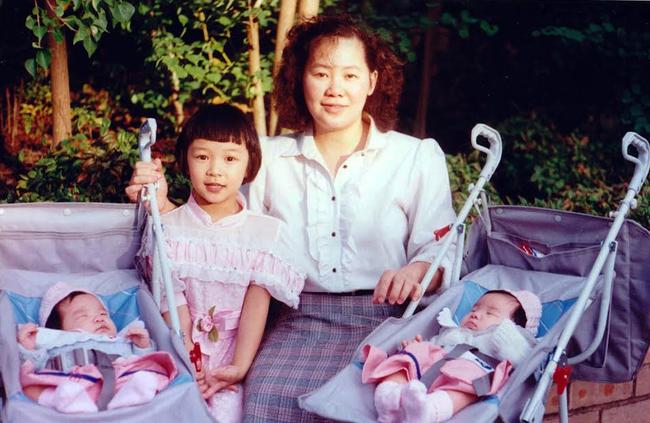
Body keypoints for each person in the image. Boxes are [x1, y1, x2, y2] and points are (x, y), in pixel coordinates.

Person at [126, 14, 457, 422]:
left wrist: (418, 268)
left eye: (350, 76)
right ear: (302, 79)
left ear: (371, 82)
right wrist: (160, 204)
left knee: (372, 404)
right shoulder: (269, 158)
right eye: (321, 73)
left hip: (387, 319)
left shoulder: (415, 157)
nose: (335, 89)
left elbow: (441, 245)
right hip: (298, 319)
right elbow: (221, 231)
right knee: (264, 397)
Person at [136, 104, 305, 423]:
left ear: (249, 165)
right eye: (202, 157)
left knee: (228, 413)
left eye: (230, 158)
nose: (215, 170)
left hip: (236, 352)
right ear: (185, 160)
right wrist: (183, 348)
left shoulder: (264, 233)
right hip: (178, 347)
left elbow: (257, 304)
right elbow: (171, 295)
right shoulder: (167, 227)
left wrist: (239, 367)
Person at [362, 290, 541, 423]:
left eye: (490, 313)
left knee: (471, 384)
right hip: (437, 362)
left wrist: (510, 333)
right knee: (409, 356)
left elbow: (525, 360)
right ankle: (388, 398)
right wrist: (418, 347)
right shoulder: (453, 331)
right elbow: (434, 346)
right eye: (474, 308)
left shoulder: (508, 339)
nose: (476, 314)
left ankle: (429, 411)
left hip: (473, 368)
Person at [17, 282, 178, 413]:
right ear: (59, 329)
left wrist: (142, 346)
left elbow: (140, 360)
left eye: (103, 314)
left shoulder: (121, 338)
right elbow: (38, 365)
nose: (99, 319)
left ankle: (130, 397)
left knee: (147, 372)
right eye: (83, 316)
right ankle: (69, 401)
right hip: (74, 380)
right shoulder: (55, 340)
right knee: (39, 382)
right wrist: (29, 349)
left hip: (119, 380)